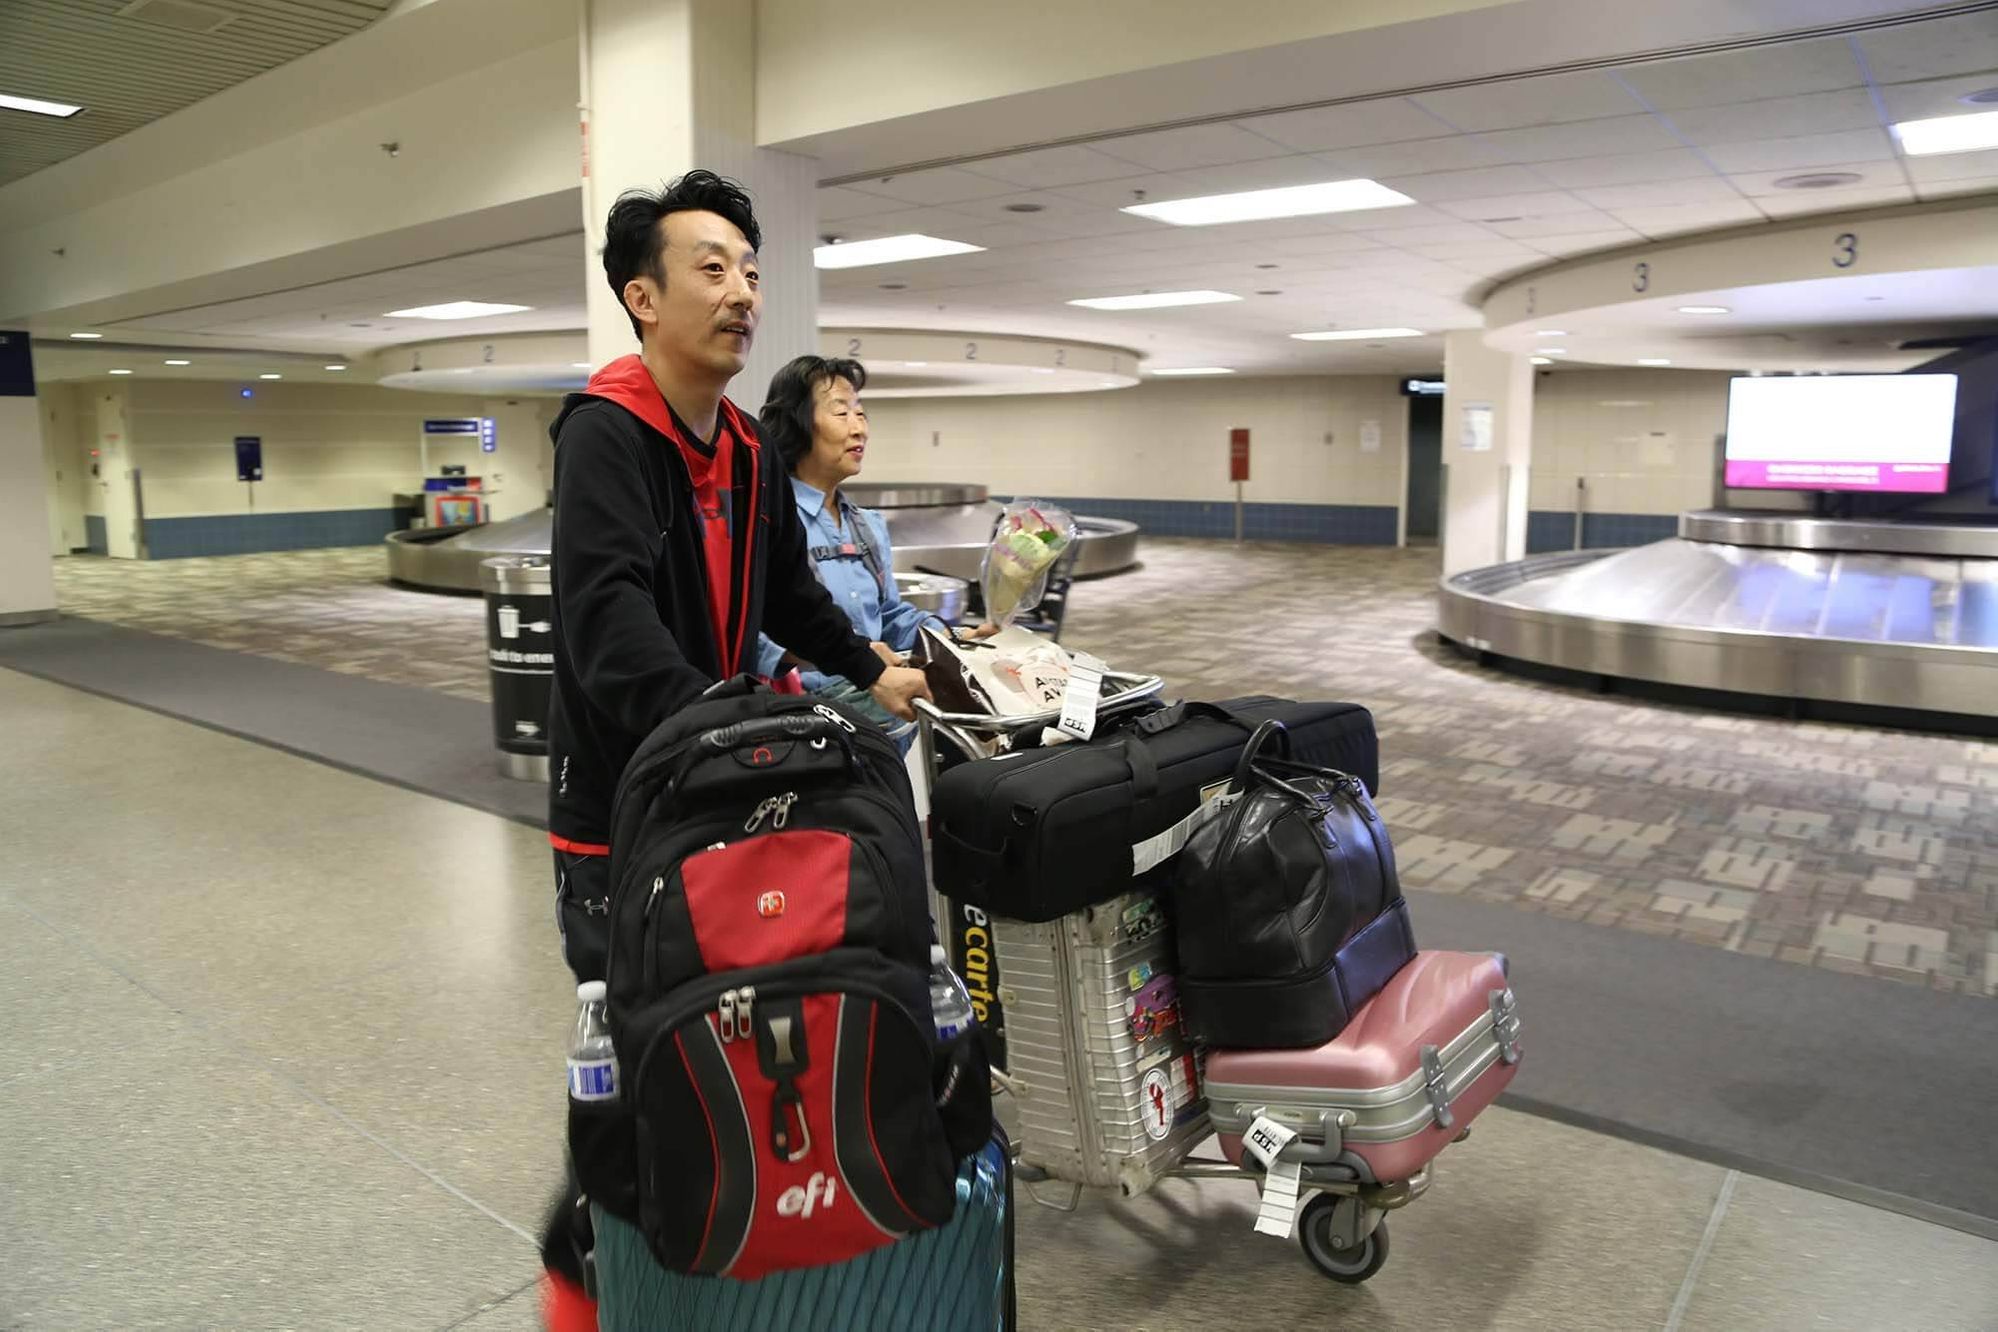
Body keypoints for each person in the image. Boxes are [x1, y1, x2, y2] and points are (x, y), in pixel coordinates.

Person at [536, 170, 930, 1331]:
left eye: (752, 271)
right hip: (621, 809)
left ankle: (738, 1258)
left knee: (736, 1026)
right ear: (642, 296)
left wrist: (872, 670)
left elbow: (790, 593)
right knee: (635, 1051)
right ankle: (584, 1278)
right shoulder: (608, 436)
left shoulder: (750, 453)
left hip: (716, 784)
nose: (742, 292)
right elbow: (608, 632)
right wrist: (722, 722)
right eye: (711, 268)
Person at [752, 355, 994, 752]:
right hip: (801, 729)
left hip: (882, 724)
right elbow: (748, 631)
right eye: (841, 412)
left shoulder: (867, 526)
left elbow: (888, 615)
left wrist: (952, 637)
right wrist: (844, 658)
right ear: (796, 422)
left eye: (861, 412)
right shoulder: (770, 521)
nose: (858, 427)